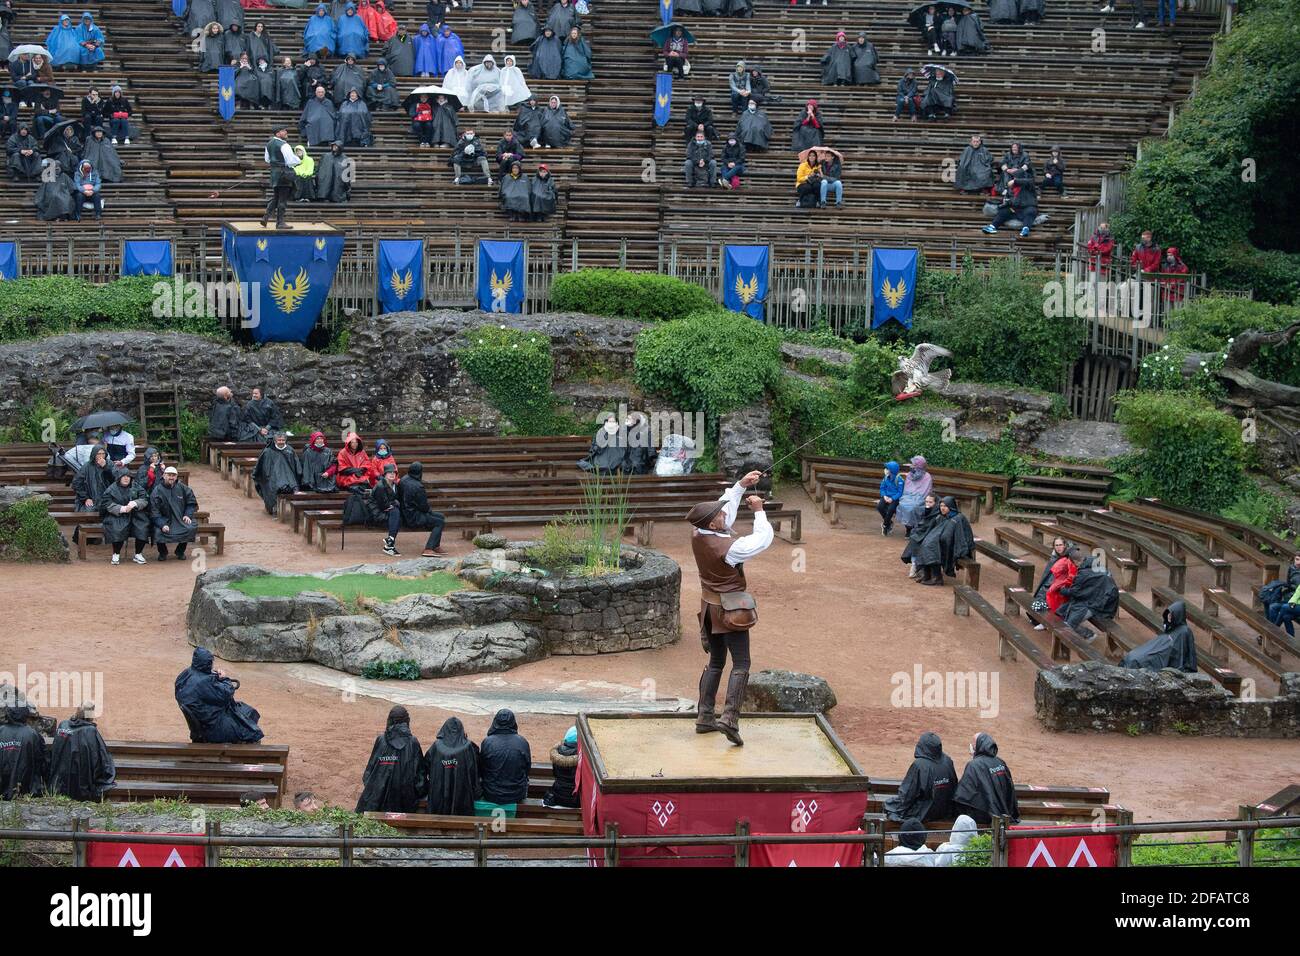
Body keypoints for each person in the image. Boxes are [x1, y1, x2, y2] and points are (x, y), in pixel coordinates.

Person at [688, 469, 772, 746]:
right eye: (720, 517)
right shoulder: (730, 548)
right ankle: (730, 718)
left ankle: (704, 716)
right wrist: (759, 511)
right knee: (742, 663)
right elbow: (761, 540)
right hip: (729, 609)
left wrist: (740, 486)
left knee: (715, 662)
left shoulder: (698, 533)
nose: (726, 517)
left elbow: (723, 510)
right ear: (713, 525)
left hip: (709, 607)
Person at [175, 647, 265, 743]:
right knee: (251, 730)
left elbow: (205, 691)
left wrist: (211, 677)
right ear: (207, 664)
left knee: (245, 710)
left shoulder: (185, 675)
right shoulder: (204, 682)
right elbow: (226, 694)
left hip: (203, 721)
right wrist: (224, 678)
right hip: (213, 728)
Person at [355, 706, 427, 813]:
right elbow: (420, 778)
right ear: (406, 721)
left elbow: (369, 772)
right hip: (405, 801)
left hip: (377, 799)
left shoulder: (381, 740)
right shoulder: (413, 742)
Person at [884, 731, 958, 823]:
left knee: (889, 805)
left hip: (923, 814)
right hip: (943, 812)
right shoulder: (948, 761)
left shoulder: (919, 765)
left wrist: (891, 807)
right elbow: (954, 786)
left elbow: (907, 795)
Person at [48, 703, 115, 801]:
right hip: (81, 787)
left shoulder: (63, 725)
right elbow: (101, 758)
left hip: (59, 784)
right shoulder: (91, 731)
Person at [954, 732, 1019, 824]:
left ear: (979, 745)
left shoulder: (973, 765)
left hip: (986, 816)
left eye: (973, 744)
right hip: (1004, 813)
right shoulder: (1000, 762)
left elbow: (963, 795)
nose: (971, 746)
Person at [1056, 550, 1119, 639]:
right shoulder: (1095, 563)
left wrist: (1061, 590)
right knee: (1063, 611)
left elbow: (1075, 592)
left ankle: (1089, 635)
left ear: (1075, 561)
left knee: (1069, 624)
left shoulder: (1083, 574)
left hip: (1099, 606)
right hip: (1108, 601)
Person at [1122, 600, 1199, 672]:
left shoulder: (1184, 631)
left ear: (1177, 614)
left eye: (1171, 614)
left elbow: (1182, 653)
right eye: (1168, 614)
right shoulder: (1171, 628)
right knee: (1134, 657)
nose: (1169, 616)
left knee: (1139, 660)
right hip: (1159, 648)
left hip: (1164, 653)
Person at [425, 716, 480, 815]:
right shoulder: (469, 747)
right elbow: (475, 772)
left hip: (438, 799)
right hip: (463, 800)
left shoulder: (436, 746)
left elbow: (426, 766)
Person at [478, 708, 531, 806]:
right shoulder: (522, 742)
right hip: (516, 794)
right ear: (513, 722)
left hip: (491, 793)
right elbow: (527, 768)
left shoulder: (487, 742)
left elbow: (482, 769)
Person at [100, 466, 150, 565]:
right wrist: (121, 509)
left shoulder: (136, 486)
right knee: (117, 528)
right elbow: (106, 503)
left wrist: (135, 503)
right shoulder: (111, 489)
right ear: (119, 477)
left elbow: (145, 498)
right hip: (117, 515)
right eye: (124, 476)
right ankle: (116, 553)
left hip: (135, 514)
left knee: (143, 526)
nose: (126, 478)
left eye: (128, 476)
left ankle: (138, 554)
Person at [394, 461, 445, 556]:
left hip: (405, 513)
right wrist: (429, 512)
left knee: (440, 516)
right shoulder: (418, 486)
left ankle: (435, 545)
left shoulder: (403, 479)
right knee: (439, 522)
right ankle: (429, 549)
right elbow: (424, 506)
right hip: (413, 517)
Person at [150, 466, 199, 561]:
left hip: (180, 518)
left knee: (190, 528)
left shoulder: (183, 488)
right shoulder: (157, 490)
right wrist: (162, 524)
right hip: (165, 519)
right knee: (158, 531)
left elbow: (191, 503)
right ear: (164, 475)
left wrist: (187, 515)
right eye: (169, 475)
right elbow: (154, 511)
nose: (171, 477)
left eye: (173, 475)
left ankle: (180, 551)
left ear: (176, 477)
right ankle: (163, 552)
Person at [0, 703, 47, 799]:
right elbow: (42, 761)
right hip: (27, 790)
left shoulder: (1, 731)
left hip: (2, 790)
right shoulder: (33, 734)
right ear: (25, 715)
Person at [261, 124, 302, 228]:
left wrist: (275, 163)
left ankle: (266, 217)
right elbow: (290, 161)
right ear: (278, 133)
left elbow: (267, 159)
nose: (286, 132)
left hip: (275, 174)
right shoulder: (284, 145)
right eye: (284, 131)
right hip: (284, 173)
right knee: (282, 198)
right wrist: (298, 159)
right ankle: (280, 222)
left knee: (276, 196)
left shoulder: (269, 144)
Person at [253, 432, 301, 514]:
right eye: (279, 440)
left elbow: (295, 466)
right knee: (272, 487)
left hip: (288, 477)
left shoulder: (289, 450)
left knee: (290, 486)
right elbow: (263, 467)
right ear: (275, 441)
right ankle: (273, 508)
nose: (281, 442)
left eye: (283, 440)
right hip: (271, 477)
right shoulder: (268, 451)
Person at [1030, 535, 1070, 628]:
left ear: (1065, 545)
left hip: (1060, 589)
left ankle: (1046, 621)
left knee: (1046, 599)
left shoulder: (1067, 559)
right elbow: (1046, 576)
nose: (1058, 547)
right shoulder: (1055, 557)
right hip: (1050, 586)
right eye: (1056, 545)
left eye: (1060, 545)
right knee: (1038, 599)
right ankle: (1041, 619)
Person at [900, 493, 942, 584]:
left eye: (930, 502)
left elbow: (933, 526)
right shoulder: (926, 510)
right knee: (914, 539)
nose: (927, 504)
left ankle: (918, 568)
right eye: (926, 501)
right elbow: (920, 523)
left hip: (932, 535)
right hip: (924, 533)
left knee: (921, 543)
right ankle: (917, 567)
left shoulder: (938, 513)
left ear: (935, 503)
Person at [542, 725, 579, 809]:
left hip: (558, 795)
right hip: (576, 799)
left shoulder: (557, 753)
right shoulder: (584, 757)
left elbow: (555, 774)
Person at [895, 455, 933, 531]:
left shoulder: (927, 476)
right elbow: (907, 488)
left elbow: (926, 490)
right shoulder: (910, 474)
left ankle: (913, 527)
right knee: (903, 504)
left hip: (920, 497)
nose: (912, 466)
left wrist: (917, 496)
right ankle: (908, 527)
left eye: (914, 465)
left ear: (919, 466)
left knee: (914, 507)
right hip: (908, 496)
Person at [72, 445, 113, 513]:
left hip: (107, 497)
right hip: (91, 497)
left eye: (103, 453)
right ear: (94, 454)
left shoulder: (110, 464)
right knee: (89, 511)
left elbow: (116, 478)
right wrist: (85, 498)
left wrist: (105, 467)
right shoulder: (86, 466)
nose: (101, 456)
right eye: (99, 454)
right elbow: (77, 483)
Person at [877, 460, 906, 535]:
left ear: (892, 470)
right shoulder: (886, 478)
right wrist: (884, 496)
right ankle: (889, 522)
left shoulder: (899, 480)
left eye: (887, 468)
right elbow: (882, 488)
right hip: (886, 496)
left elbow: (900, 492)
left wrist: (892, 498)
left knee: (891, 509)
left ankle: (885, 525)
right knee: (880, 507)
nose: (885, 470)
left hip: (895, 498)